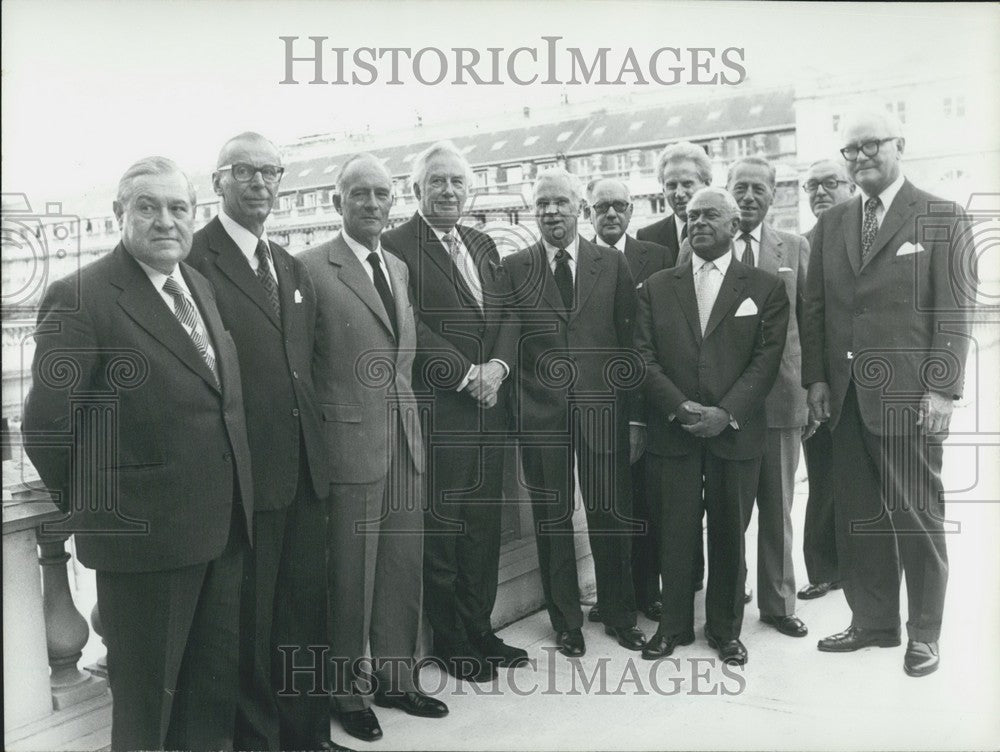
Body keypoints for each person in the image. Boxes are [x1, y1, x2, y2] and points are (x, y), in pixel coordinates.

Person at [23, 157, 254, 751]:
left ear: (194, 215)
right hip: (143, 546)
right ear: (119, 214)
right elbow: (47, 426)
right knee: (147, 713)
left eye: (178, 208)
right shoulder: (81, 296)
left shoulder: (196, 284)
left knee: (208, 699)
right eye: (148, 207)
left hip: (221, 531)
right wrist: (106, 510)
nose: (165, 221)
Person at [802, 109, 975, 677]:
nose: (859, 158)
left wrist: (942, 390)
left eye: (870, 145)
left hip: (908, 398)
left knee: (916, 517)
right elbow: (816, 309)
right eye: (850, 150)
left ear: (900, 143)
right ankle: (873, 622)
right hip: (847, 397)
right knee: (859, 518)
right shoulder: (832, 223)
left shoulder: (941, 215)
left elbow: (954, 310)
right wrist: (817, 380)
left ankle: (924, 633)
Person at [186, 133, 341, 750]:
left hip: (305, 473)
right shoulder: (194, 262)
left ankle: (308, 737)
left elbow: (308, 367)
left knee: (306, 615)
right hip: (246, 482)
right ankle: (260, 743)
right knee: (249, 627)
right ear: (217, 181)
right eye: (244, 171)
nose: (259, 183)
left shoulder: (290, 266)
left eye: (270, 172)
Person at [299, 154, 448, 743]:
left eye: (381, 194)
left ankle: (396, 678)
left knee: (400, 570)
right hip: (347, 448)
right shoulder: (310, 268)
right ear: (337, 202)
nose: (371, 203)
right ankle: (347, 692)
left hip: (404, 443)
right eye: (358, 193)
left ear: (393, 202)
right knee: (349, 578)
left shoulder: (398, 267)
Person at [381, 141, 527, 682]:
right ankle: (449, 640)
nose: (448, 191)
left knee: (483, 529)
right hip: (443, 413)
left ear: (470, 190)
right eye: (437, 181)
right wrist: (468, 375)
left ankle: (480, 629)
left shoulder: (482, 242)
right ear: (416, 189)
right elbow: (409, 323)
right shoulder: (395, 246)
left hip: (492, 411)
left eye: (457, 182)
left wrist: (499, 369)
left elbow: (508, 314)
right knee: (442, 533)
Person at [635, 187, 788, 666]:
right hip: (673, 431)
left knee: (729, 533)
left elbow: (767, 360)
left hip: (735, 432)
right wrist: (678, 407)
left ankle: (725, 630)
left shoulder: (765, 287)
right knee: (675, 533)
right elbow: (643, 356)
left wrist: (726, 413)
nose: (698, 222)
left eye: (710, 215)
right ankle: (673, 626)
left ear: (733, 225)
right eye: (693, 215)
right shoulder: (657, 286)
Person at [504, 168, 645, 658]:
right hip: (541, 417)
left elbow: (631, 344)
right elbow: (509, 343)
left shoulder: (612, 263)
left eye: (560, 202)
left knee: (610, 515)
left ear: (579, 209)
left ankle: (621, 614)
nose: (551, 212)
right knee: (552, 518)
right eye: (542, 204)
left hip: (603, 413)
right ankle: (566, 622)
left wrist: (634, 417)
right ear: (533, 212)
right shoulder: (514, 267)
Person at [725, 156, 811, 638]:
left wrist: (813, 390)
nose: (748, 197)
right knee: (730, 509)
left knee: (778, 509)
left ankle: (778, 604)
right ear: (728, 190)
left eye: (759, 188)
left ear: (774, 195)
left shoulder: (794, 247)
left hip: (781, 398)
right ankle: (728, 596)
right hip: (727, 403)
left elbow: (810, 321)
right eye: (741, 187)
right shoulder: (704, 242)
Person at [585, 177, 672, 624]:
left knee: (647, 503)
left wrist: (641, 416)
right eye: (602, 207)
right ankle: (610, 595)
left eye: (619, 205)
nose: (611, 213)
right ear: (589, 213)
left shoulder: (657, 257)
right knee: (606, 507)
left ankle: (647, 592)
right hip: (599, 404)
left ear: (632, 210)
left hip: (647, 402)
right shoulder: (579, 260)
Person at [797, 158, 855, 601]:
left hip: (865, 380)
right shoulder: (803, 244)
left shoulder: (868, 235)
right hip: (818, 382)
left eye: (829, 183)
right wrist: (811, 382)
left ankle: (862, 570)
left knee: (865, 481)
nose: (819, 191)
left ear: (850, 186)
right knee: (822, 478)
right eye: (811, 185)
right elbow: (803, 320)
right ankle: (823, 569)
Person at [636, 140, 713, 268]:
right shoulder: (647, 238)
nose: (679, 193)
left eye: (687, 184)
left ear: (707, 183)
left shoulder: (724, 231)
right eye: (671, 185)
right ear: (663, 190)